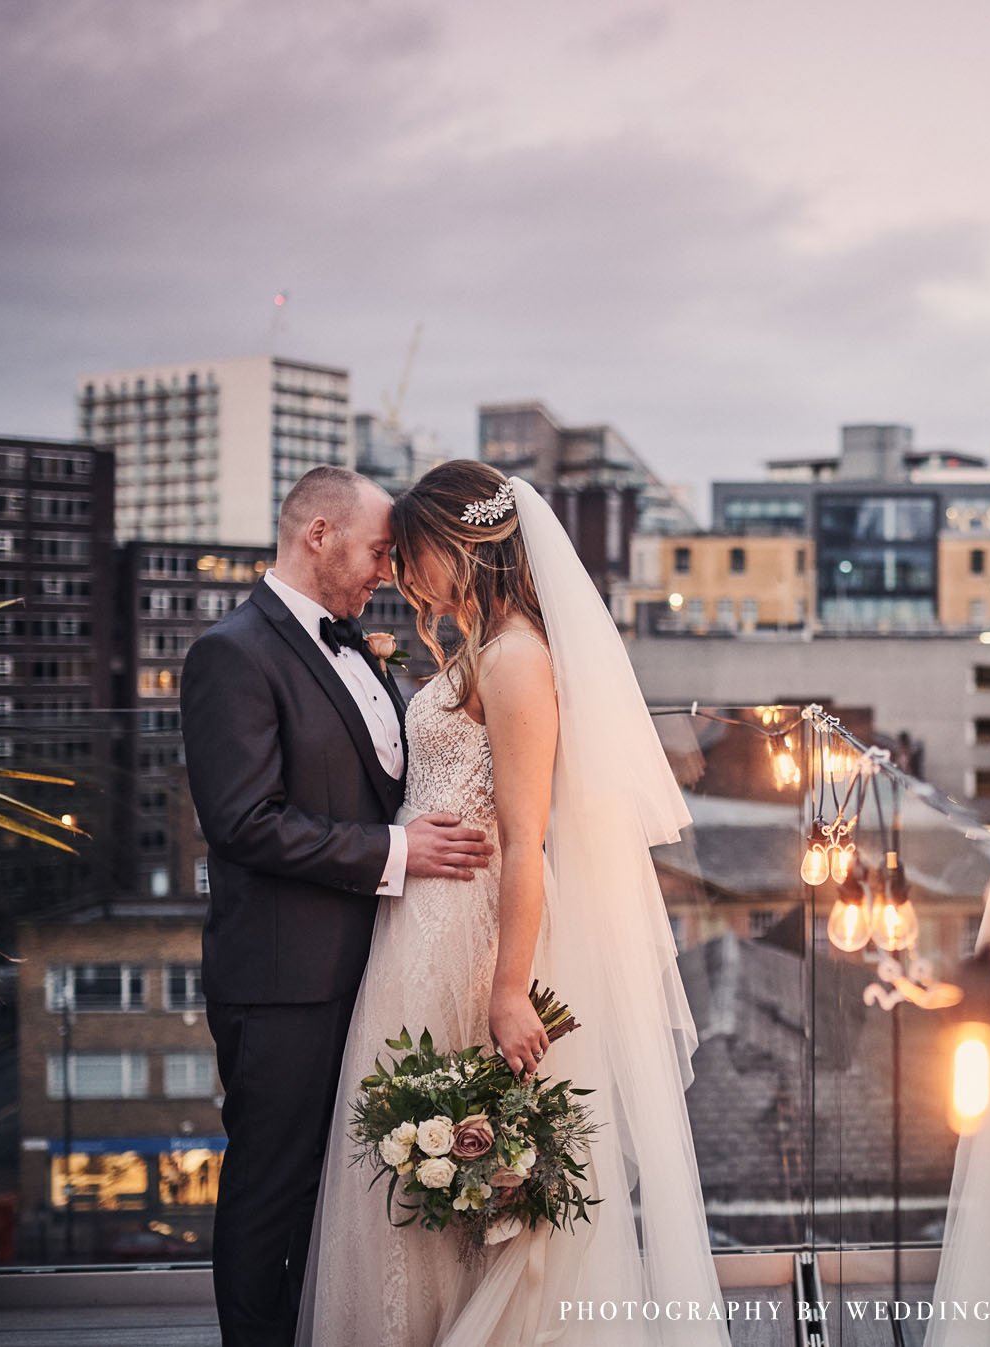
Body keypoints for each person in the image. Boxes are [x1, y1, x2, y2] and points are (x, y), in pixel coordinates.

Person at [298, 462, 728, 1346]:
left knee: (451, 1161)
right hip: (419, 926)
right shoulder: (482, 649)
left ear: (464, 547)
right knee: (414, 1163)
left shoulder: (519, 657)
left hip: (468, 933)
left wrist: (507, 991)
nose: (403, 576)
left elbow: (526, 839)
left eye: (414, 555)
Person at [183, 466, 495, 1347]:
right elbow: (245, 821)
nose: (387, 574)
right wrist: (400, 851)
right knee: (270, 1193)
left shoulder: (358, 645)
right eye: (377, 551)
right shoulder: (231, 654)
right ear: (318, 534)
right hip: (283, 980)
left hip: (374, 965)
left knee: (340, 1192)